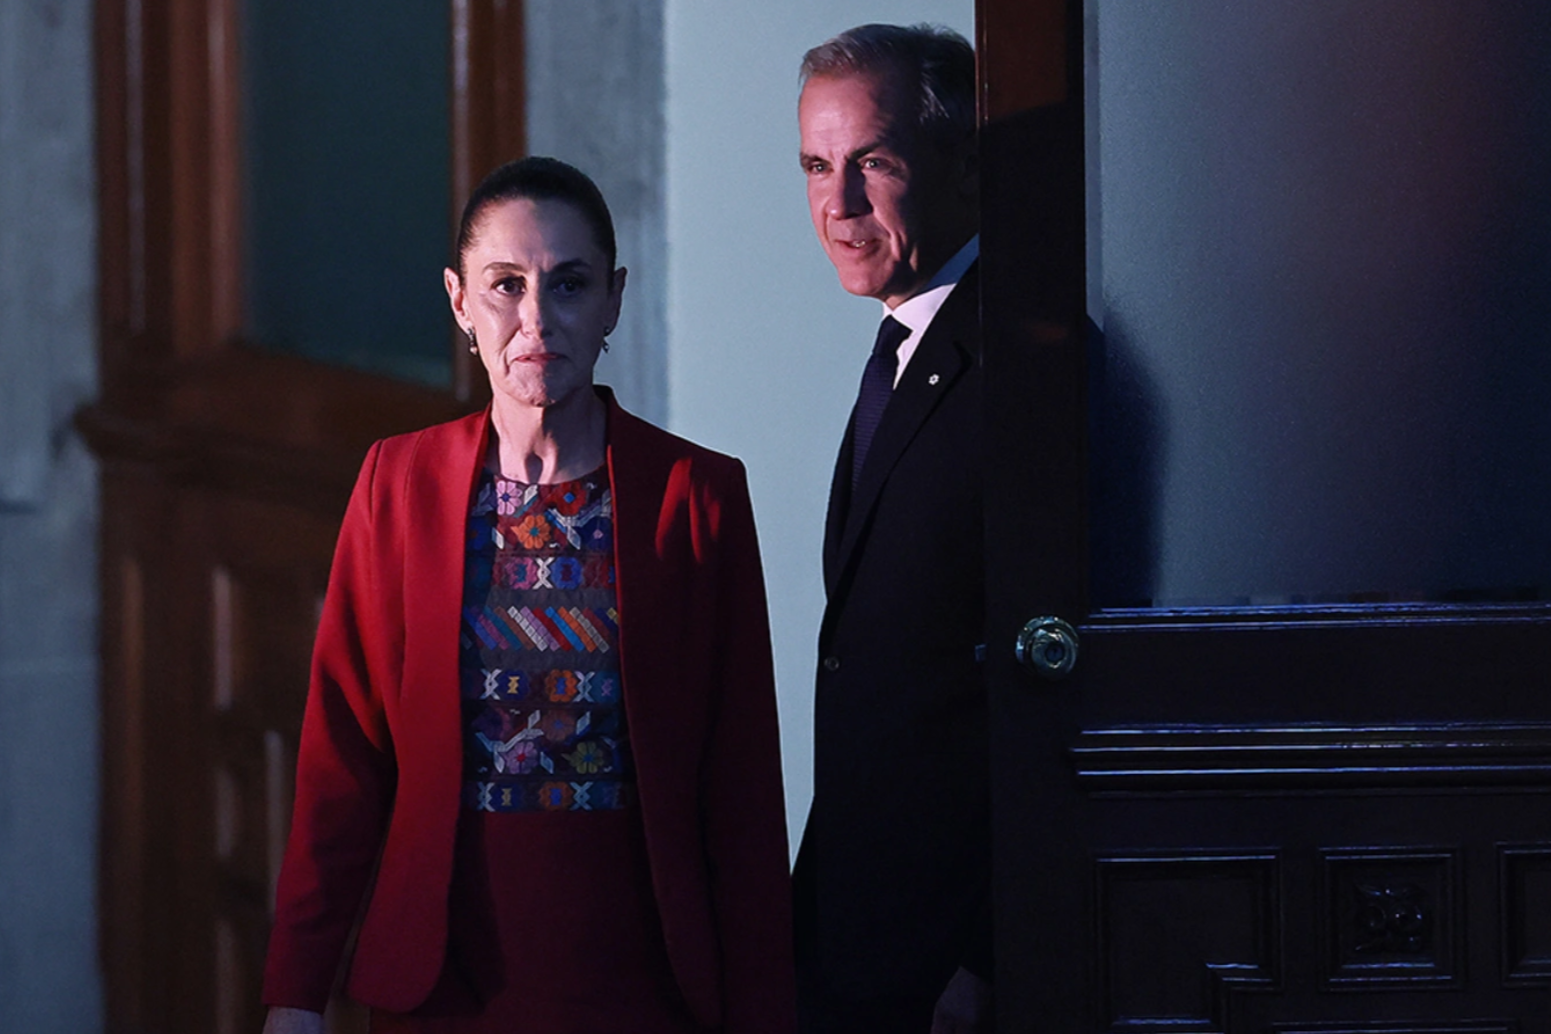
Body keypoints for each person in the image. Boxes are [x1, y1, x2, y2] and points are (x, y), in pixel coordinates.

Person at [260, 156, 795, 1034]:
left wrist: (764, 1012)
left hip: (640, 982)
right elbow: (342, 757)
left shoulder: (694, 496)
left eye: (569, 284)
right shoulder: (397, 484)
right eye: (505, 285)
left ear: (613, 301)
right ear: (459, 302)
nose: (536, 319)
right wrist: (295, 991)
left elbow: (739, 790)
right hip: (438, 981)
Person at [790, 24, 990, 1034]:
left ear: (959, 159)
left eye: (872, 162)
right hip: (857, 932)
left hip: (950, 965)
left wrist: (988, 956)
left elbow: (1050, 684)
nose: (837, 205)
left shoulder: (1023, 363)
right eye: (818, 167)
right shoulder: (905, 348)